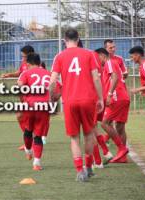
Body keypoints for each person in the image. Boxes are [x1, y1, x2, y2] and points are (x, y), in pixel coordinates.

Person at [49, 29, 104, 182]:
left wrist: (50, 98)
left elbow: (52, 81)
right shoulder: (89, 54)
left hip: (70, 101)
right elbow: (96, 78)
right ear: (78, 38)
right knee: (89, 134)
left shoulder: (59, 56)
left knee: (74, 137)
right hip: (88, 100)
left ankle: (80, 171)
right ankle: (88, 168)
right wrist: (100, 98)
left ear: (64, 40)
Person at [18, 53, 60, 170]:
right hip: (44, 107)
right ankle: (36, 163)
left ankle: (28, 150)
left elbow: (20, 86)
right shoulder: (49, 74)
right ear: (39, 62)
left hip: (30, 106)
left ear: (28, 64)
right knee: (38, 136)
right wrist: (53, 99)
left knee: (28, 130)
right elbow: (58, 88)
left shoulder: (25, 73)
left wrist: (23, 99)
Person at [95, 48, 130, 163]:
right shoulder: (112, 63)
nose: (96, 60)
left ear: (101, 55)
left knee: (105, 123)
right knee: (120, 128)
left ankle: (121, 148)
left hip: (117, 98)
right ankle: (123, 156)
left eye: (97, 57)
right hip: (123, 97)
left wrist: (109, 94)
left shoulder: (109, 62)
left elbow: (114, 76)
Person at [1, 45, 35, 150]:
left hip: (33, 97)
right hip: (24, 97)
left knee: (30, 119)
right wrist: (9, 75)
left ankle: (34, 142)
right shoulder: (24, 64)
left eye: (24, 56)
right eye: (22, 56)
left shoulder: (37, 65)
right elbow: (19, 73)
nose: (22, 58)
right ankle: (30, 141)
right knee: (20, 116)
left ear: (30, 55)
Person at [129, 46, 145, 113]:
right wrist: (144, 90)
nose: (131, 59)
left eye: (132, 57)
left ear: (138, 55)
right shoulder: (144, 65)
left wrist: (136, 90)